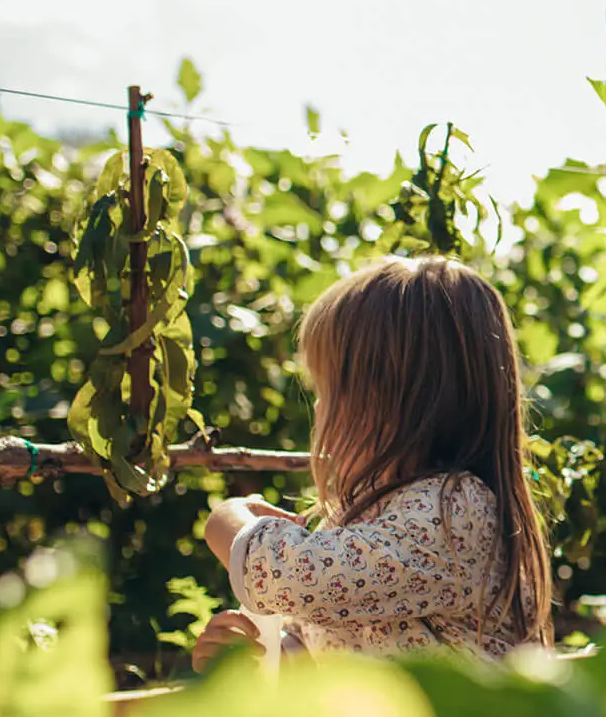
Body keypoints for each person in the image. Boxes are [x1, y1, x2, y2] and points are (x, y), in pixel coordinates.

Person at [191, 256, 554, 672]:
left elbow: (288, 576)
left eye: (327, 390)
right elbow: (329, 643)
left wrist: (228, 522)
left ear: (389, 402)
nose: (321, 409)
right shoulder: (366, 517)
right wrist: (259, 655)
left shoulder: (454, 511)